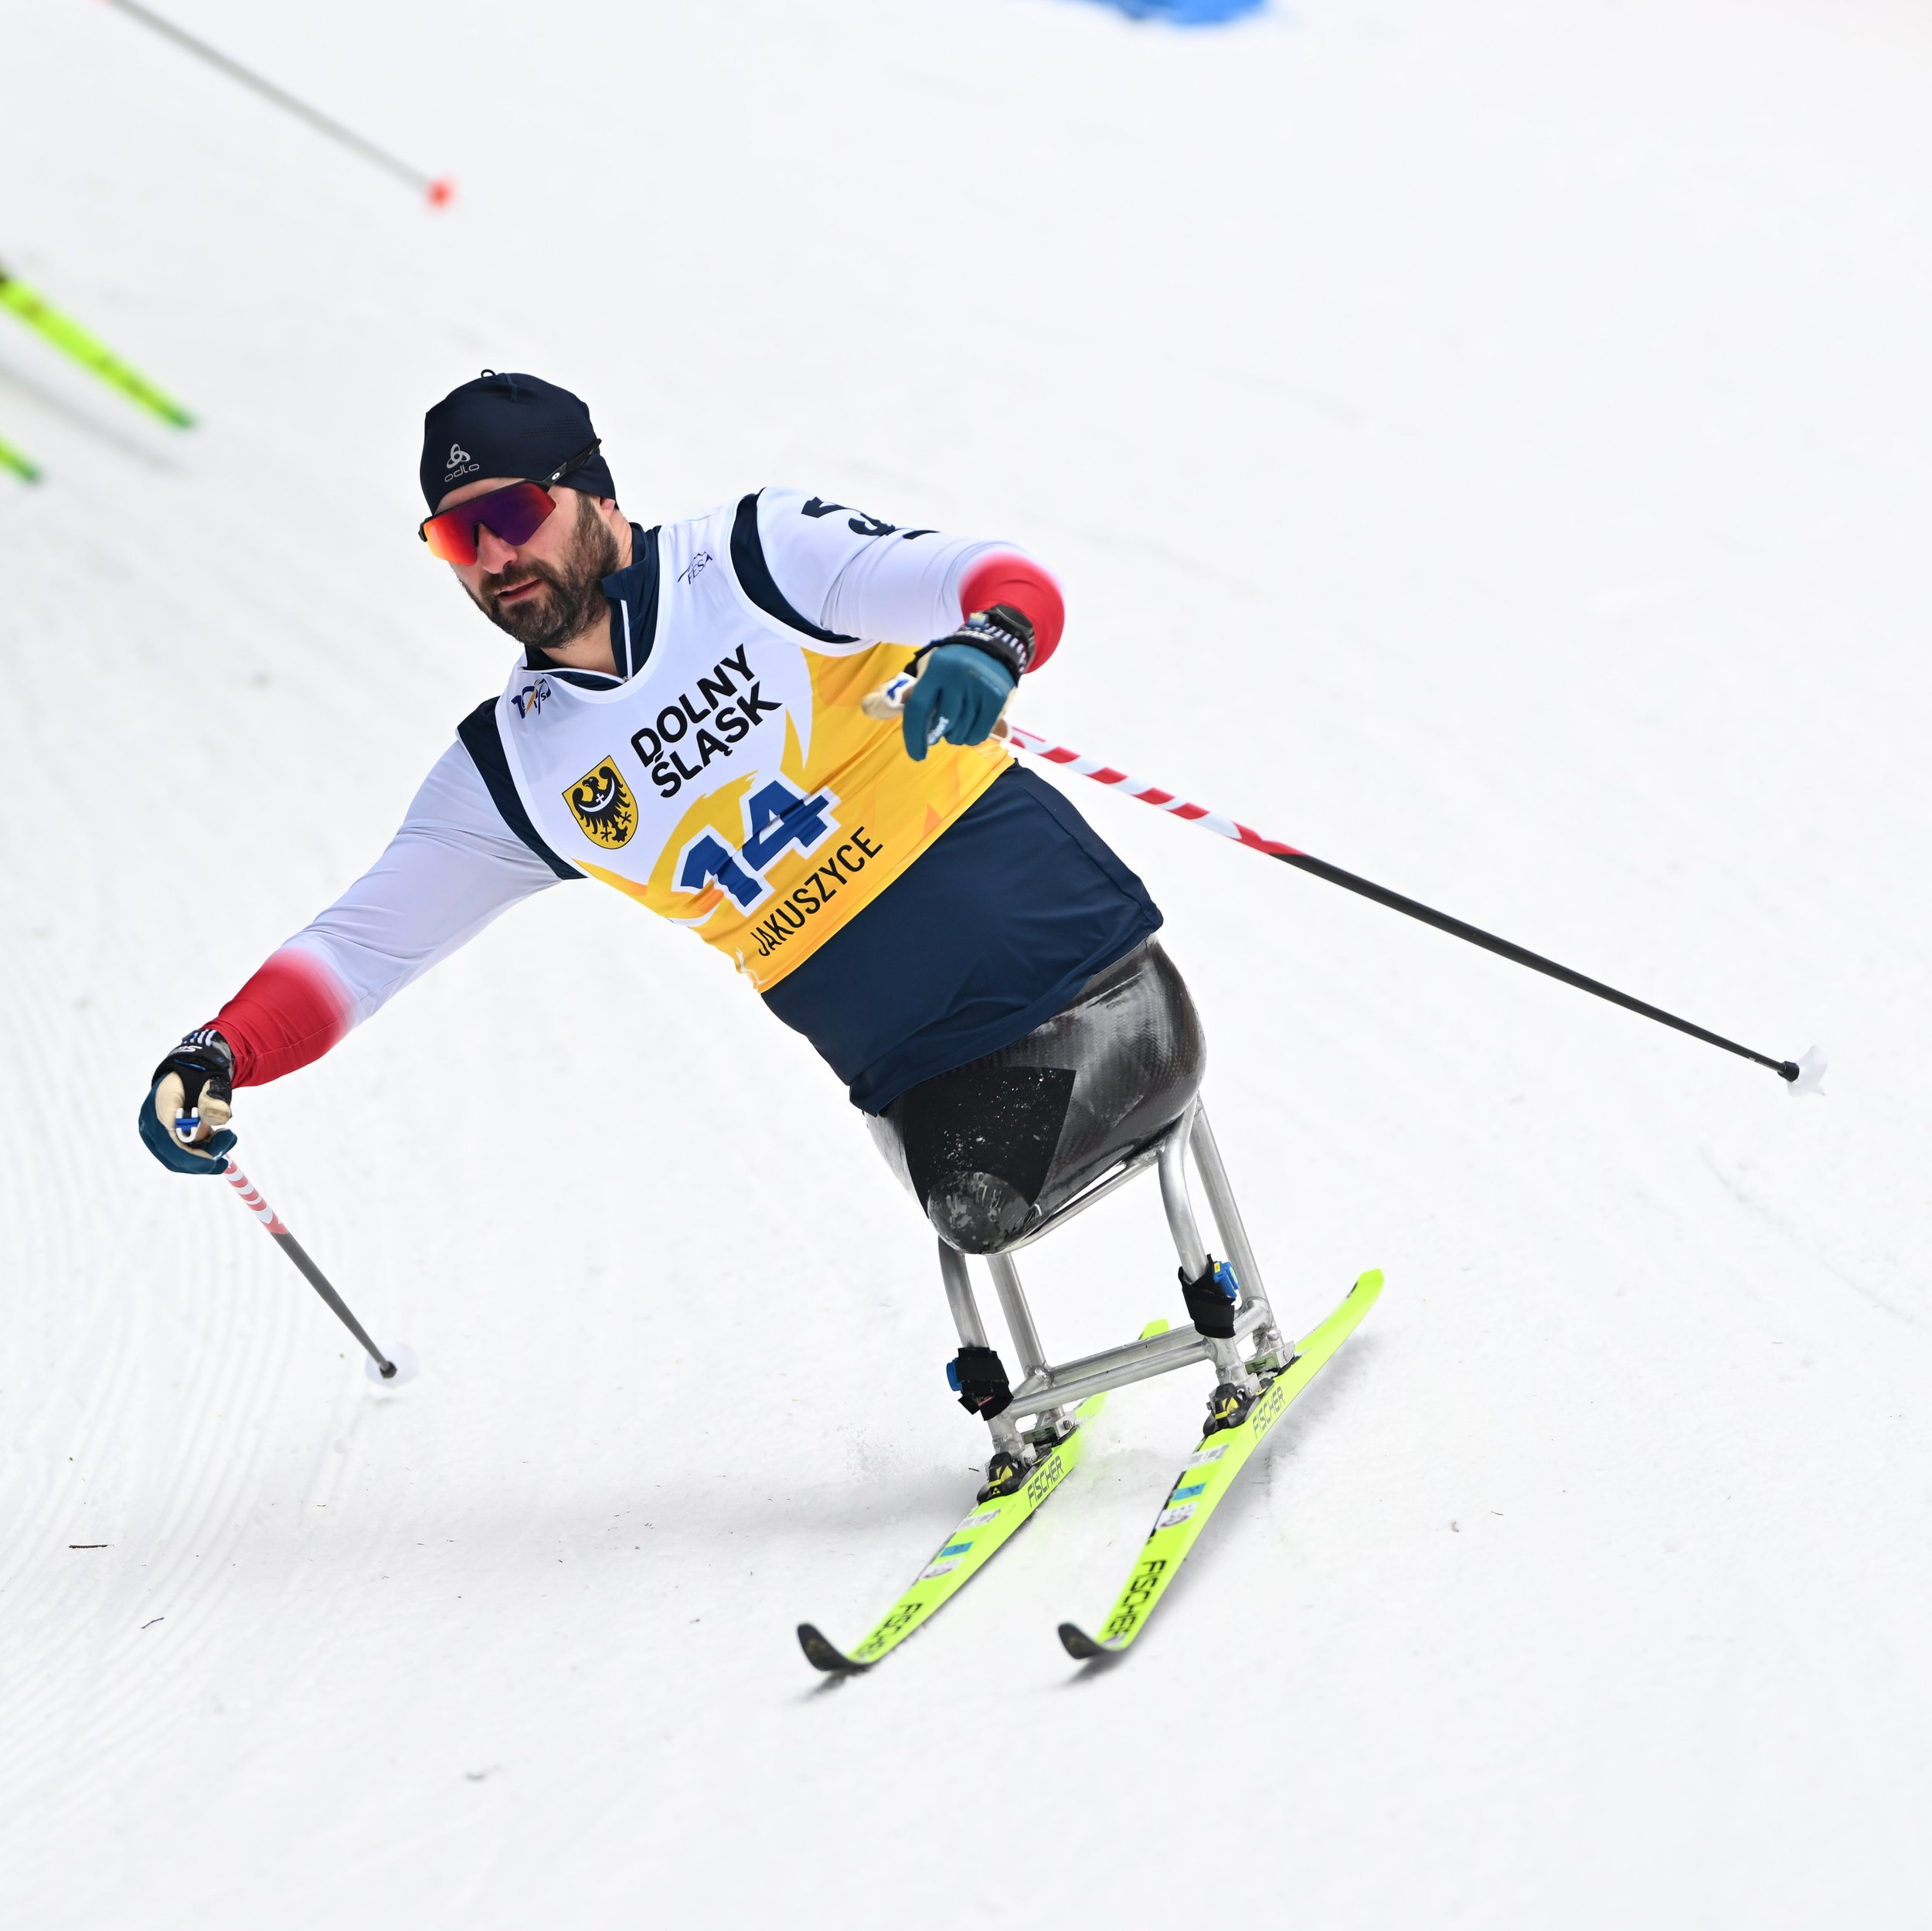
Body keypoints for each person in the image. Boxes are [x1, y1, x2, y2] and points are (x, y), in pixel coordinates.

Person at [138, 371, 1209, 1431]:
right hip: (913, 1087)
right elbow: (361, 949)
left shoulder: (756, 560)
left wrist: (990, 643)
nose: (497, 557)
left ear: (598, 496)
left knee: (978, 1204)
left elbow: (998, 579)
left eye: (514, 514)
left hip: (1093, 1000)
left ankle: (1218, 1310)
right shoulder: (517, 766)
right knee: (967, 1203)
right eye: (460, 540)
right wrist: (217, 1053)